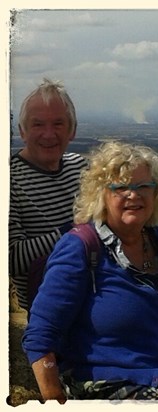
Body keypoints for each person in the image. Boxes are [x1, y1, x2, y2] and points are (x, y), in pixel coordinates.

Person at [22, 141, 158, 402]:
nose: (133, 195)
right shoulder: (80, 247)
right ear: (101, 195)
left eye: (143, 186)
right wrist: (54, 405)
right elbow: (40, 337)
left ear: (156, 193)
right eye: (120, 187)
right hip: (113, 384)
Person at [9, 78, 88, 310]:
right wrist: (76, 229)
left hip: (94, 296)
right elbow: (12, 259)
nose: (48, 134)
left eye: (58, 124)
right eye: (38, 125)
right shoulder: (9, 180)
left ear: (72, 130)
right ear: (22, 131)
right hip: (49, 310)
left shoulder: (80, 167)